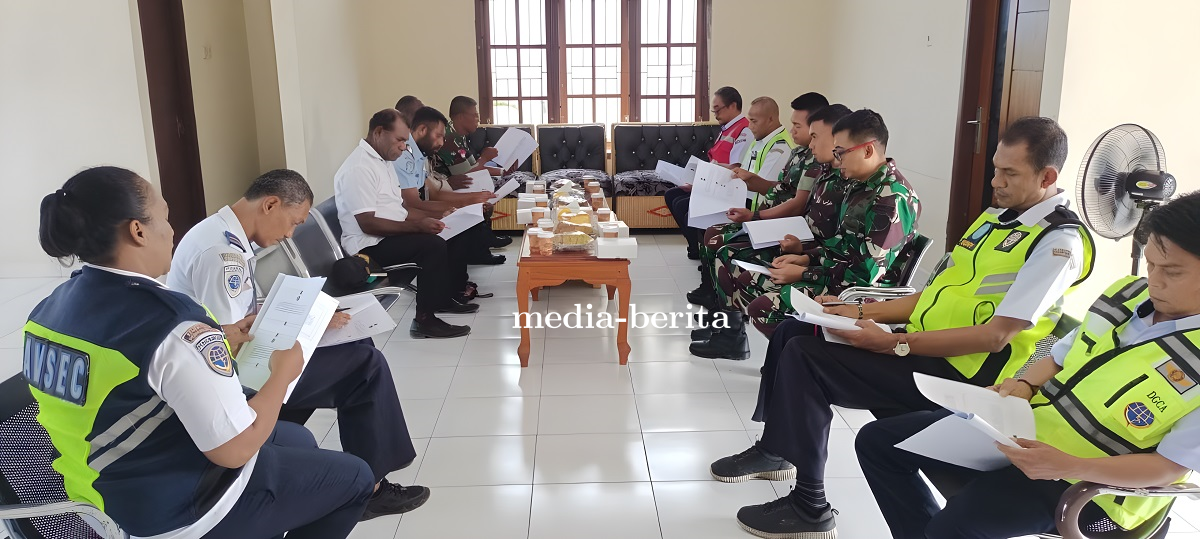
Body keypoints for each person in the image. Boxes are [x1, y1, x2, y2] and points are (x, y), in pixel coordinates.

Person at [711, 117, 1097, 538]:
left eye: (1009, 173)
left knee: (808, 358)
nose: (995, 181)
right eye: (995, 168)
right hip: (926, 350)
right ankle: (775, 451)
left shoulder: (1058, 244)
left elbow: (996, 335)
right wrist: (858, 314)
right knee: (794, 333)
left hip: (968, 375)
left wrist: (896, 347)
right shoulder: (995, 219)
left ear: (1047, 176)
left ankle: (809, 504)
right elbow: (932, 297)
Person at [25, 166, 373, 538]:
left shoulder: (47, 311)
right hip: (172, 510)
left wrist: (220, 334)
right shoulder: (173, 324)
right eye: (164, 216)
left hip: (91, 493)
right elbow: (235, 450)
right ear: (137, 231)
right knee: (356, 478)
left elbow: (122, 375)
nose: (172, 229)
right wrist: (282, 375)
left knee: (298, 440)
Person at [856, 191, 1200, 539]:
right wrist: (1023, 385)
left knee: (958, 525)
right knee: (879, 443)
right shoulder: (1128, 295)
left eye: (1172, 271)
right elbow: (1059, 354)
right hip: (1028, 436)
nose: (1154, 281)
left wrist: (1069, 465)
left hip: (1095, 486)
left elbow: (1167, 467)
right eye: (1151, 264)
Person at [168, 168, 431, 522]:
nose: (289, 235)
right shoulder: (222, 254)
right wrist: (310, 325)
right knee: (365, 367)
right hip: (229, 378)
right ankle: (369, 491)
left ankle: (293, 443)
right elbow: (232, 340)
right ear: (271, 204)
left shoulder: (222, 233)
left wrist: (312, 312)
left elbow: (241, 316)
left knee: (357, 344)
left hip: (229, 362)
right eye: (292, 223)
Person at [693, 108, 921, 360]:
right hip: (835, 276)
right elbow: (839, 245)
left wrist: (804, 271)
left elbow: (864, 275)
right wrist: (805, 257)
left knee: (764, 308)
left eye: (841, 152)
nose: (838, 159)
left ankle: (802, 361)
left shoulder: (890, 200)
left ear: (868, 150)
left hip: (856, 295)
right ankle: (776, 353)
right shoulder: (860, 186)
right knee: (745, 277)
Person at [334, 108, 479, 339]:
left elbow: (398, 211)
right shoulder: (360, 167)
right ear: (379, 132)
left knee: (450, 230)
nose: (404, 146)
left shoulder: (383, 162)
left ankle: (442, 300)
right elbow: (368, 224)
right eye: (400, 140)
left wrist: (437, 218)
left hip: (387, 236)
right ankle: (425, 321)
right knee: (432, 245)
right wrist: (419, 226)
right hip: (368, 246)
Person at [685, 94, 832, 316]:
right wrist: (749, 181)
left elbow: (796, 205)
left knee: (722, 245)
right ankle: (718, 305)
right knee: (711, 231)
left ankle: (728, 319)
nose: (792, 131)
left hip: (785, 227)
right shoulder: (799, 153)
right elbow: (779, 188)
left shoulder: (809, 159)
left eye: (797, 126)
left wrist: (754, 216)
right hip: (774, 220)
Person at [409, 105, 506, 266]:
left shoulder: (423, 153)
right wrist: (467, 201)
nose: (478, 119)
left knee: (474, 204)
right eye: (475, 115)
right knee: (463, 218)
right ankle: (478, 251)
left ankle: (481, 244)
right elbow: (467, 172)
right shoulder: (446, 141)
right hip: (446, 185)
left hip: (440, 188)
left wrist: (501, 172)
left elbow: (470, 166)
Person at [665, 86, 753, 259]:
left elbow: (735, 167)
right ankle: (694, 246)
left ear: (733, 106)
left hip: (726, 188)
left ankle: (699, 249)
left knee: (683, 205)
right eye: (714, 110)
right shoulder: (726, 128)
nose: (715, 114)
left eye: (718, 109)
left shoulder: (744, 131)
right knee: (672, 195)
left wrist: (700, 182)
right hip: (714, 182)